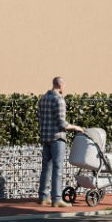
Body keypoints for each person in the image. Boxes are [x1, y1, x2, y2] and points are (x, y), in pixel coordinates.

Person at [38, 76, 85, 207]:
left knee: (46, 168)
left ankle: (43, 197)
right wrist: (76, 127)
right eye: (64, 86)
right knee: (57, 168)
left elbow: (40, 119)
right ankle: (57, 199)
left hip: (45, 137)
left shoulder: (43, 98)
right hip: (57, 138)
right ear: (60, 85)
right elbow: (62, 123)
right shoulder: (59, 99)